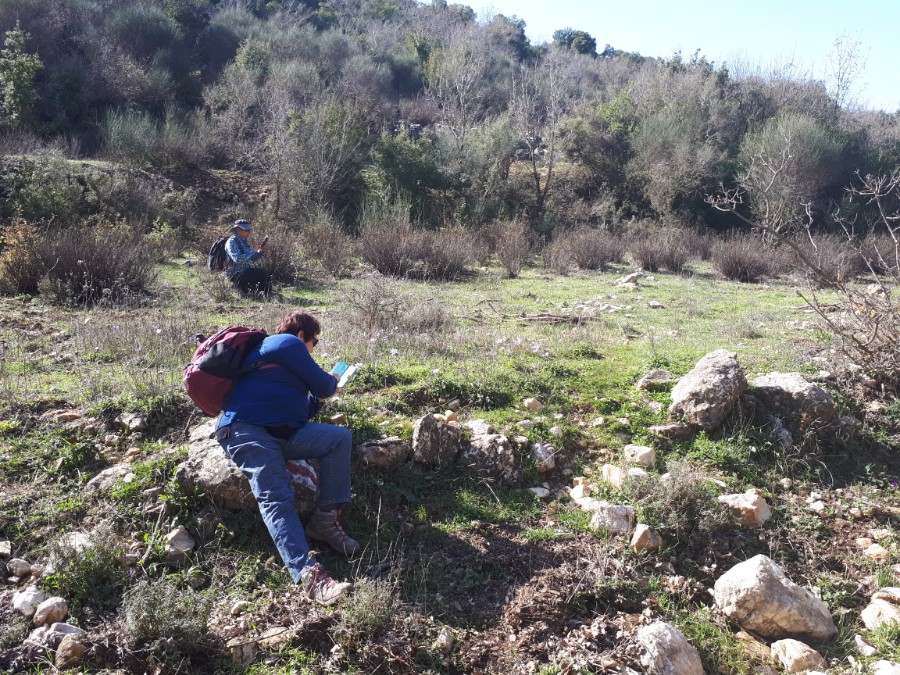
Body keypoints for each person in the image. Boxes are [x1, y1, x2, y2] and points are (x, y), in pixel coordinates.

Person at [214, 310, 358, 605]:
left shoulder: (277, 363)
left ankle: (325, 521)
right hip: (247, 430)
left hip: (281, 433)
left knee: (338, 438)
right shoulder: (284, 342)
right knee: (276, 495)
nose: (314, 348)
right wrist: (332, 382)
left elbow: (300, 412)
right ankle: (310, 577)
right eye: (315, 342)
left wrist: (315, 401)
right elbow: (324, 385)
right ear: (303, 335)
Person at [225, 219, 272, 296]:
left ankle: (244, 289)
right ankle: (237, 287)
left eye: (249, 229)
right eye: (246, 230)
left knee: (266, 286)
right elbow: (237, 259)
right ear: (238, 229)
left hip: (246, 272)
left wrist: (260, 252)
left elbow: (252, 259)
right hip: (235, 274)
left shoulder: (244, 242)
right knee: (261, 273)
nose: (249, 232)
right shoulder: (231, 242)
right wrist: (253, 250)